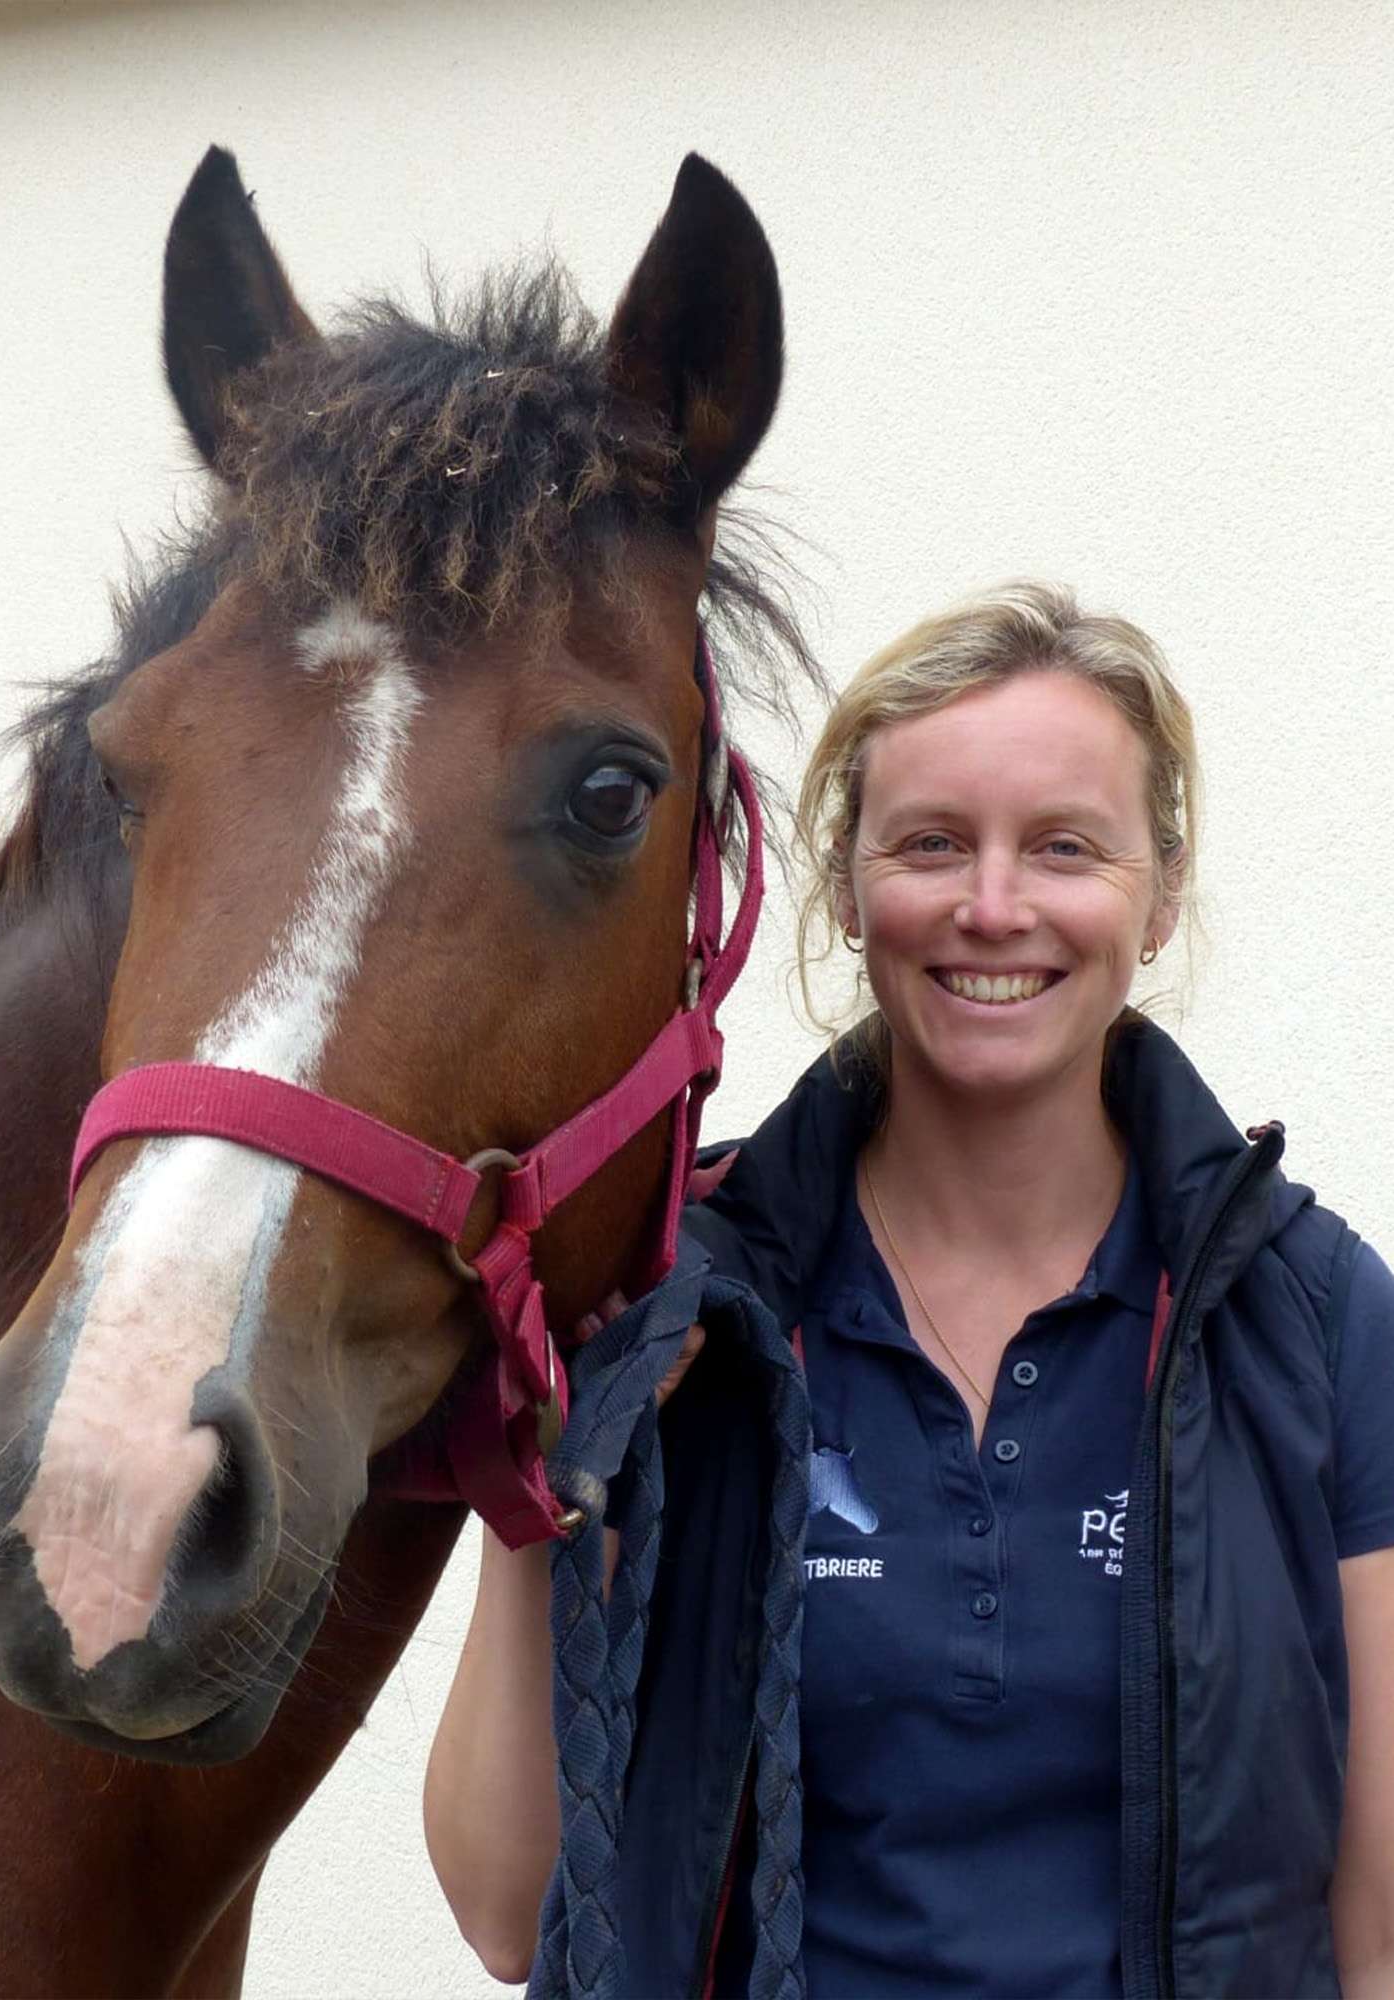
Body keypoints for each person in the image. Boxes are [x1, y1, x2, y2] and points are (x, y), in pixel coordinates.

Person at [424, 581, 1394, 1998]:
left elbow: (1375, 1935)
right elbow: (511, 1909)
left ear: (1162, 896)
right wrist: (552, 1481)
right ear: (844, 886)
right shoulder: (682, 1304)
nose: (992, 907)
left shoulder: (1311, 1317)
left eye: (1065, 847)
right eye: (933, 844)